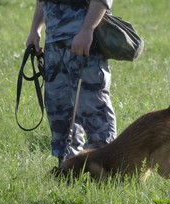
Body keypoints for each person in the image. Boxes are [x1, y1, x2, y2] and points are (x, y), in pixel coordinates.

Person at [25, 0, 117, 168]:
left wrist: (87, 30)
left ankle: (105, 166)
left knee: (93, 107)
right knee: (59, 108)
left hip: (83, 40)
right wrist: (35, 29)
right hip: (54, 43)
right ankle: (69, 167)